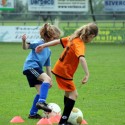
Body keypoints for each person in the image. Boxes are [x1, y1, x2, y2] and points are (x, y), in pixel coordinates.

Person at [35, 22, 98, 124]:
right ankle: (63, 121)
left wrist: (43, 45)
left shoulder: (73, 38)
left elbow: (57, 41)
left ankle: (65, 118)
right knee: (74, 94)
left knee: (68, 94)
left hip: (60, 69)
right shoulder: (79, 44)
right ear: (91, 35)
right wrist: (87, 74)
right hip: (64, 72)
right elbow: (81, 58)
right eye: (92, 38)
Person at [22, 23, 61, 119]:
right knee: (42, 92)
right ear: (49, 36)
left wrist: (50, 80)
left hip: (35, 69)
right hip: (31, 67)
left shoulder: (49, 51)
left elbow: (48, 66)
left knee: (40, 93)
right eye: (55, 38)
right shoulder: (39, 43)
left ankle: (33, 114)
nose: (56, 41)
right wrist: (24, 41)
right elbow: (26, 47)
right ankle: (41, 102)